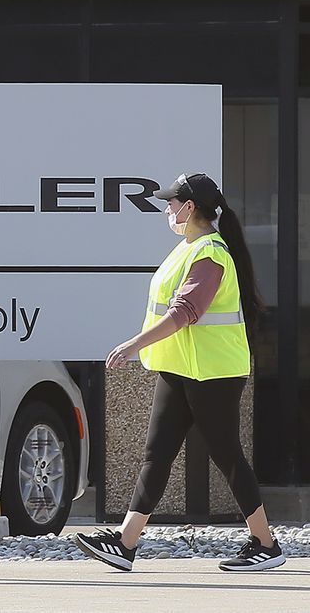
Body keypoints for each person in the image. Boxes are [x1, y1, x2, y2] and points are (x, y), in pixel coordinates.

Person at [75, 173, 286, 572]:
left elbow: (186, 313)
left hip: (212, 373)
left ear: (190, 208)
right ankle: (126, 543)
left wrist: (134, 344)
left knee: (227, 456)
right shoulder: (187, 248)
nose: (167, 209)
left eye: (172, 203)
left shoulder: (210, 254)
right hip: (178, 368)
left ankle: (266, 543)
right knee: (156, 454)